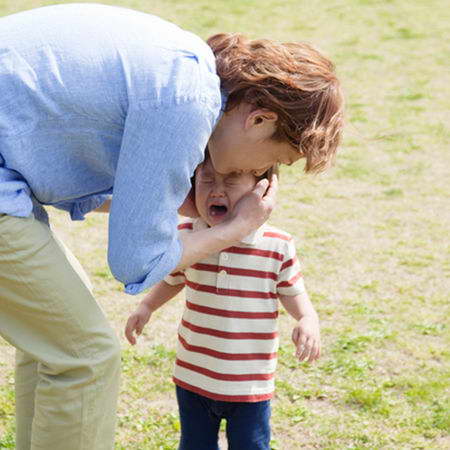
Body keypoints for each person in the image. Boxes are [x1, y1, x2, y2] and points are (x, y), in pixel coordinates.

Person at [0, 3, 342, 449]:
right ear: (260, 120)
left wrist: (162, 201)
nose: (267, 171)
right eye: (277, 159)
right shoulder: (190, 100)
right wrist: (231, 231)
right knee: (85, 356)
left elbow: (67, 162)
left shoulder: (186, 65)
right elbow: (132, 262)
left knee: (53, 332)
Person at [125, 155, 321, 450]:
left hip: (249, 382)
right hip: (193, 373)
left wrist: (307, 318)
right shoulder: (188, 236)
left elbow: (292, 291)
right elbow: (173, 279)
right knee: (194, 444)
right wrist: (147, 307)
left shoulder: (277, 245)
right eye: (206, 180)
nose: (217, 190)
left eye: (231, 180)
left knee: (251, 445)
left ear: (261, 189)